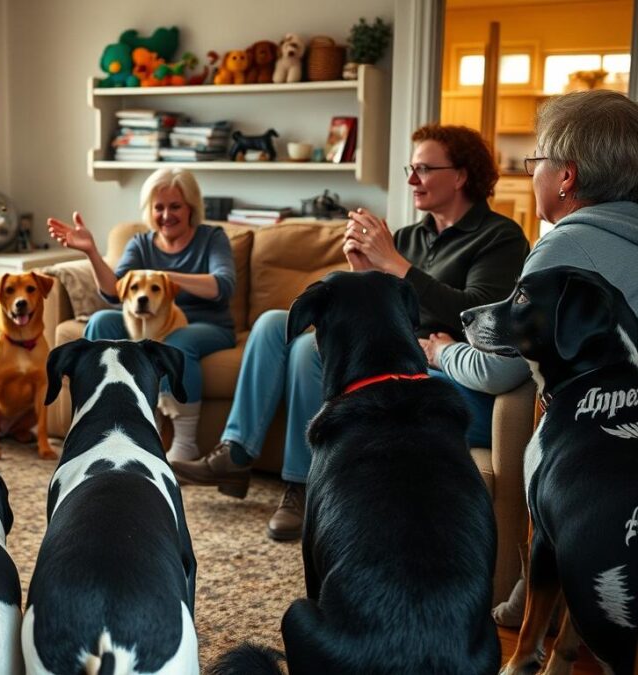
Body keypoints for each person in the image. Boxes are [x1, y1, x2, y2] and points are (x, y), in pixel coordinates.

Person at [172, 124, 530, 541]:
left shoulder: (499, 237)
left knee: (309, 349)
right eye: (410, 169)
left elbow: (472, 312)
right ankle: (234, 453)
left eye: (424, 169)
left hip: (428, 364)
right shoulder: (410, 237)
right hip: (387, 347)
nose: (412, 180)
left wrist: (394, 264)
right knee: (272, 323)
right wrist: (363, 271)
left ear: (462, 175)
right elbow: (385, 306)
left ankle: (304, 486)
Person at [424, 90, 638, 627]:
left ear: (566, 176)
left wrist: (443, 351)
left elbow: (499, 368)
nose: (533, 174)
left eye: (535, 161)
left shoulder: (562, 247)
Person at [47, 168, 236, 461]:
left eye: (175, 206)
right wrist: (91, 252)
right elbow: (114, 292)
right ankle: (96, 417)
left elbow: (222, 286)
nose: (166, 215)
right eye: (158, 207)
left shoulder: (212, 238)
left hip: (205, 325)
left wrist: (166, 278)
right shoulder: (141, 243)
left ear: (191, 208)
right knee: (101, 321)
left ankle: (184, 444)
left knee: (177, 342)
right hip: (147, 323)